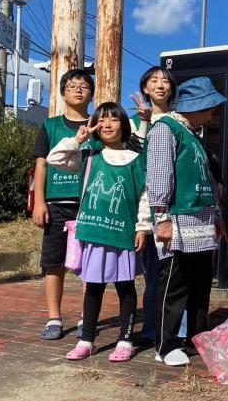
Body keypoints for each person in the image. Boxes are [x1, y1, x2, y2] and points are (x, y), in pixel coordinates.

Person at [47, 102, 151, 362]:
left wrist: (143, 228)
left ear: (124, 125)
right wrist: (78, 139)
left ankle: (126, 341)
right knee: (93, 288)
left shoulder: (137, 160)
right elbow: (54, 159)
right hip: (93, 233)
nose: (106, 124)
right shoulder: (89, 156)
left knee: (126, 288)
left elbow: (144, 197)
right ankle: (87, 340)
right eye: (101, 119)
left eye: (113, 119)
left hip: (123, 234)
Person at [146, 76, 228, 366]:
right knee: (175, 283)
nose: (212, 113)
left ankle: (197, 337)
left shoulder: (194, 135)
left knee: (200, 283)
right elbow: (158, 175)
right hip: (178, 222)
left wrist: (217, 217)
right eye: (210, 107)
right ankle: (165, 346)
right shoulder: (165, 129)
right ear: (198, 106)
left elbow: (207, 180)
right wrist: (162, 219)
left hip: (203, 222)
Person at [31, 69, 95, 340]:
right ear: (63, 92)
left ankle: (86, 316)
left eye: (83, 86)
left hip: (90, 203)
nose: (78, 90)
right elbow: (41, 164)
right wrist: (39, 202)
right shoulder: (50, 126)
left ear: (91, 92)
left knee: (88, 265)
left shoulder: (100, 125)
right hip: (56, 203)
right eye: (72, 86)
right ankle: (54, 318)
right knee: (54, 263)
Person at [127, 66, 177, 345]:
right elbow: (133, 157)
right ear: (144, 88)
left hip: (178, 205)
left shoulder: (178, 120)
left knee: (173, 271)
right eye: (154, 80)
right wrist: (145, 121)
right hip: (147, 208)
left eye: (165, 80)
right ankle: (151, 326)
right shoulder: (135, 122)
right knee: (154, 271)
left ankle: (173, 327)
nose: (160, 84)